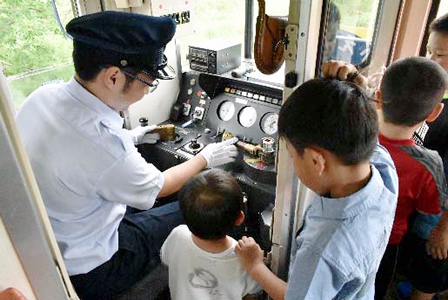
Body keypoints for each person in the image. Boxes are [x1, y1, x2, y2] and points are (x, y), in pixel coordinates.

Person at [15, 11, 238, 299]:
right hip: (96, 268)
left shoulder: (41, 97)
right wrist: (205, 158)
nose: (147, 91)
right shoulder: (104, 145)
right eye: (147, 81)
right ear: (113, 76)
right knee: (201, 207)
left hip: (57, 240)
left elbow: (84, 153)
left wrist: (133, 137)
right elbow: (160, 186)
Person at [235, 76, 398, 299]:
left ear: (316, 162)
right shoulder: (383, 167)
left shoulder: (321, 250)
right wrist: (348, 92)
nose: (292, 162)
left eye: (292, 156)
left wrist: (255, 266)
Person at [324, 57, 448, 300]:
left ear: (378, 97)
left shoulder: (356, 134)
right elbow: (430, 211)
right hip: (385, 244)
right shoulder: (429, 163)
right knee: (372, 290)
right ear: (435, 112)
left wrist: (354, 78)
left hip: (340, 231)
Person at [161, 169, 261, 300]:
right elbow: (253, 295)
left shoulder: (177, 234)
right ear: (240, 218)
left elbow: (165, 260)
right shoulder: (245, 259)